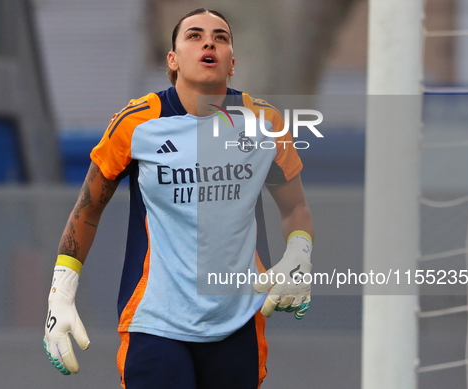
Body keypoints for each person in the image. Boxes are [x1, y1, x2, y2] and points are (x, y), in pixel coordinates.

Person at [43, 8, 315, 389]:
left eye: (220, 37)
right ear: (172, 60)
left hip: (238, 322)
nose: (209, 42)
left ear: (232, 62)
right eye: (194, 35)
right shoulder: (136, 123)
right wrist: (61, 293)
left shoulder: (264, 123)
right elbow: (87, 210)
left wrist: (299, 253)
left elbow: (296, 208)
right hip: (155, 324)